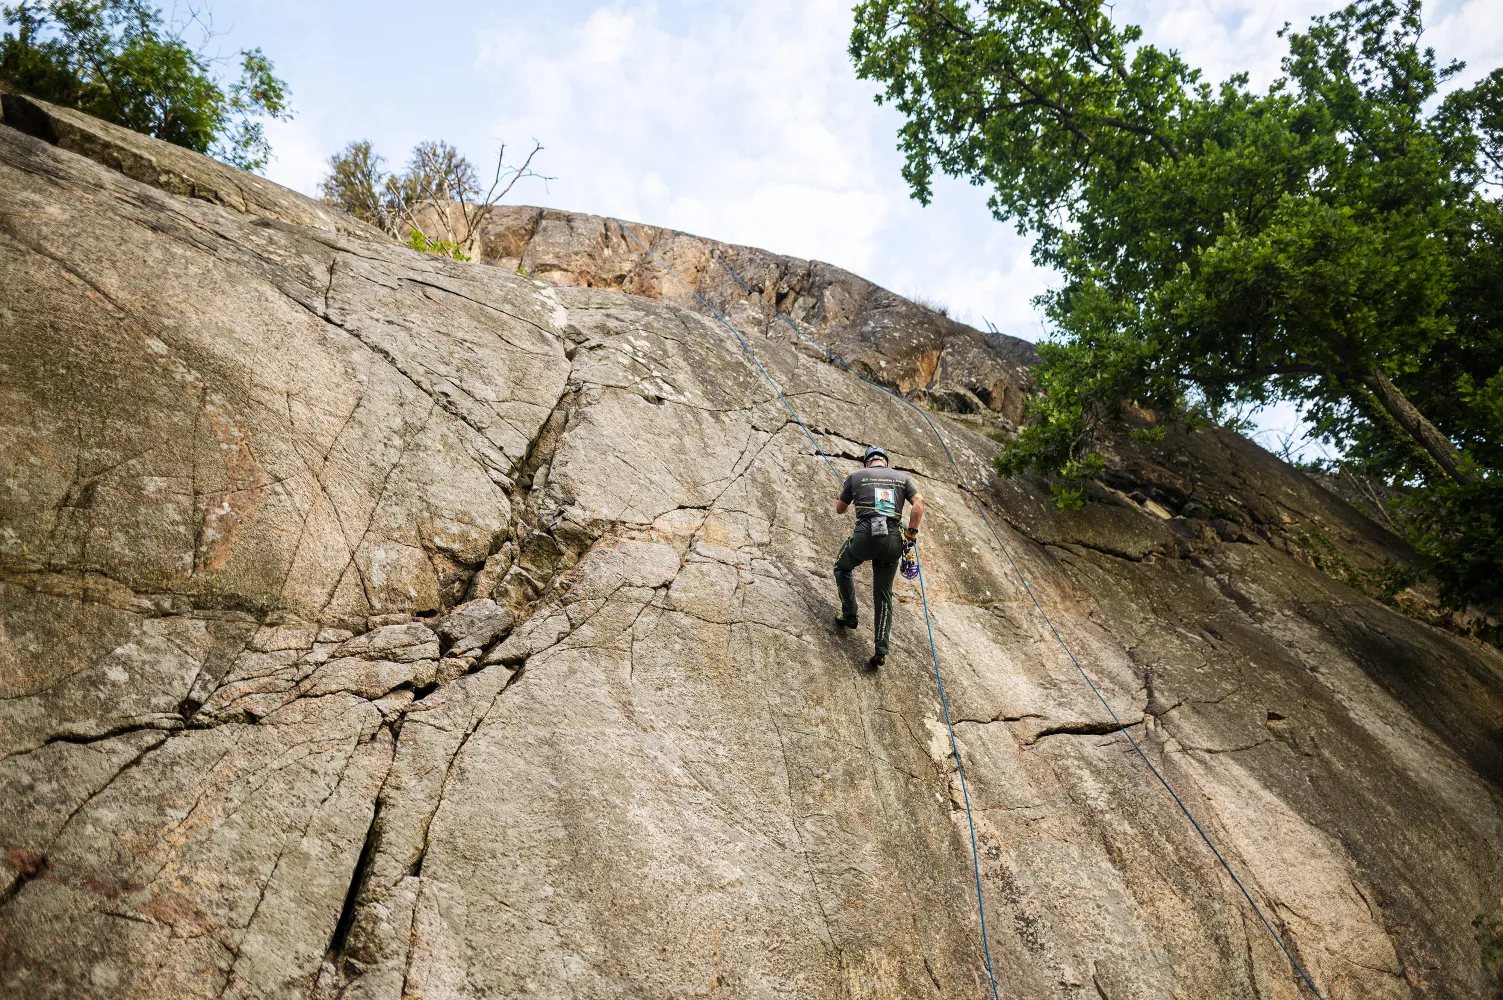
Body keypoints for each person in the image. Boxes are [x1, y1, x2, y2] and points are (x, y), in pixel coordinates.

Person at [833, 445, 924, 669]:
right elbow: (918, 505)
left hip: (865, 536)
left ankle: (850, 614)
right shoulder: (902, 479)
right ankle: (881, 649)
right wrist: (911, 534)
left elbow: (840, 509)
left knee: (842, 568)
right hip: (893, 540)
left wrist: (852, 492)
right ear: (885, 461)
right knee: (884, 593)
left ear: (867, 463)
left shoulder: (856, 476)